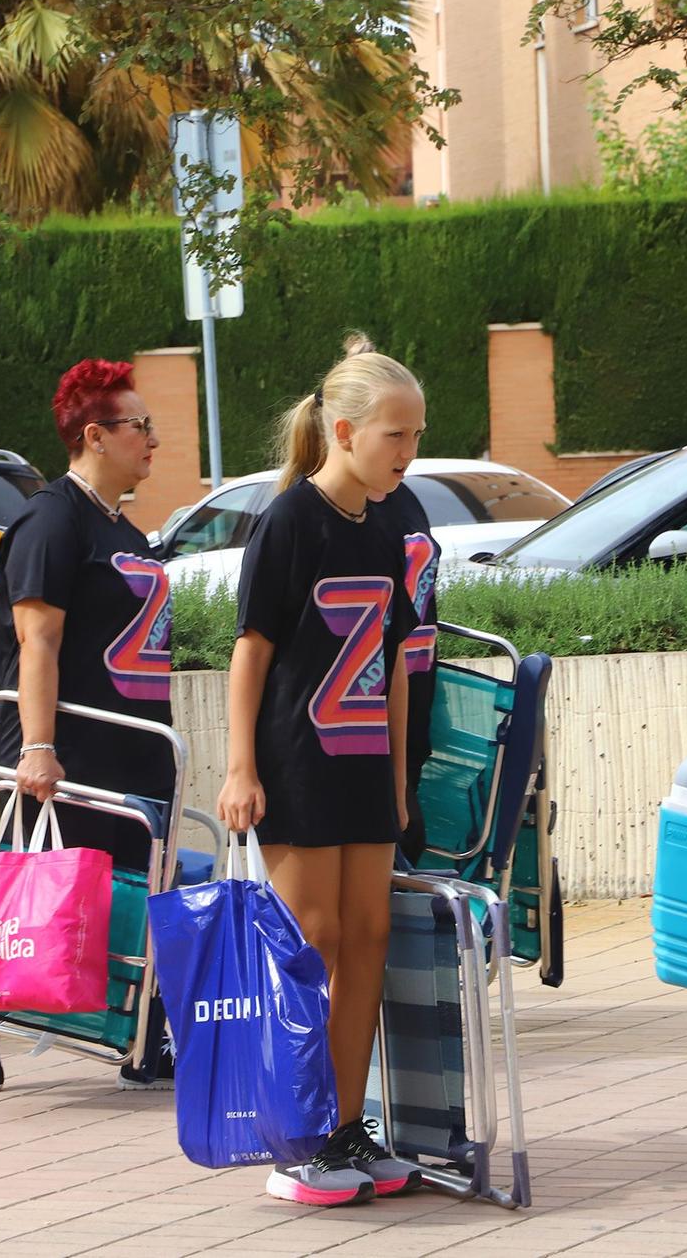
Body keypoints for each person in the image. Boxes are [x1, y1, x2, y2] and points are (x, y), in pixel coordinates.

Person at [219, 335, 428, 1207]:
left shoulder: (386, 522)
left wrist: (400, 778)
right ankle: (294, 1140)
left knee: (368, 940)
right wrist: (240, 769)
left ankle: (346, 1127)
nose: (407, 453)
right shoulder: (288, 521)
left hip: (363, 769)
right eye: (395, 436)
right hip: (296, 766)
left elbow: (393, 658)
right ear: (343, 432)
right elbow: (251, 652)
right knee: (313, 948)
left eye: (415, 436)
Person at [0, 358, 177, 1093]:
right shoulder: (52, 519)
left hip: (128, 742)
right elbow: (35, 641)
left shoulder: (122, 528)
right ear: (95, 435)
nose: (153, 439)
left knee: (129, 891)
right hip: (65, 742)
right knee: (32, 886)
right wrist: (40, 747)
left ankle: (136, 1034)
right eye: (140, 426)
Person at [371, 481, 438, 865]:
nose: (407, 449)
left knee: (408, 835)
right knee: (404, 836)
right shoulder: (331, 508)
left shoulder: (402, 495)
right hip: (362, 720)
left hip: (414, 704)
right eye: (395, 433)